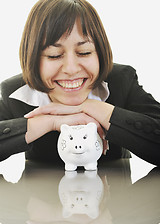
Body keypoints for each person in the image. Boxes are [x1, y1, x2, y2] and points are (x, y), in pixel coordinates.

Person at [0, 0, 160, 165]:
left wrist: (98, 110)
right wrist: (50, 122)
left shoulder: (121, 81)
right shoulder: (15, 92)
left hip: (114, 189)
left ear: (100, 52)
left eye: (84, 53)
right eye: (54, 55)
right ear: (32, 58)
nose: (71, 69)